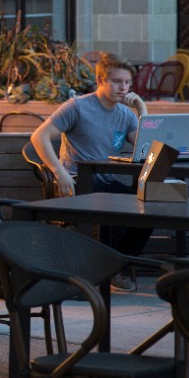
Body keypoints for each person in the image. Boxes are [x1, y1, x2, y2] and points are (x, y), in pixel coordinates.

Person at [30, 53, 150, 290]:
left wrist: (142, 109)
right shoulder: (78, 107)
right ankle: (100, 270)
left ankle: (114, 268)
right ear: (101, 80)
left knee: (150, 207)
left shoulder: (126, 114)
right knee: (116, 206)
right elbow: (39, 136)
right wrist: (59, 172)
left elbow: (145, 149)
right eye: (117, 81)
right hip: (77, 182)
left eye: (127, 82)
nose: (123, 87)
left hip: (106, 182)